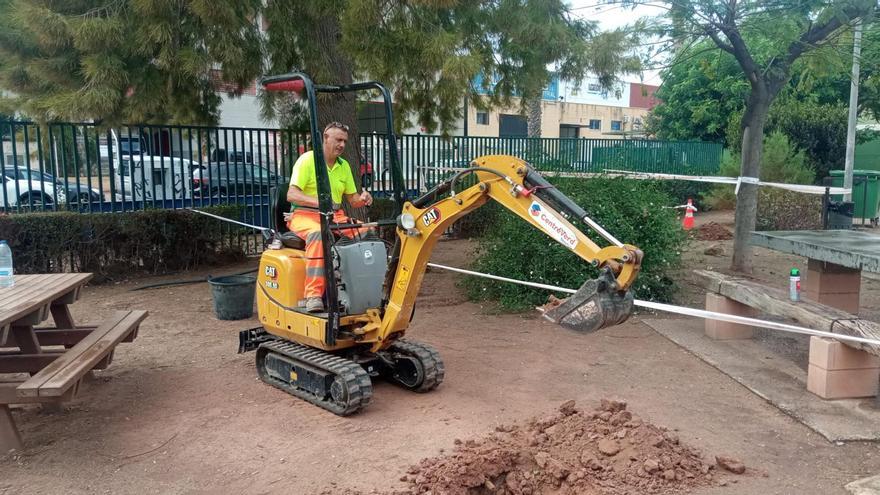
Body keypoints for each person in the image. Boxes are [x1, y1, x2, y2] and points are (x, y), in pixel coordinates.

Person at [287, 121, 373, 313]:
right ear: (325, 139)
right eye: (338, 140)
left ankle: (362, 287)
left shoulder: (344, 166)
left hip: (334, 216)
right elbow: (291, 195)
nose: (342, 145)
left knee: (367, 232)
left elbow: (353, 200)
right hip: (304, 215)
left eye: (344, 141)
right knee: (319, 234)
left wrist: (364, 198)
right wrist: (319, 201)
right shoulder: (307, 160)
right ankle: (313, 295)